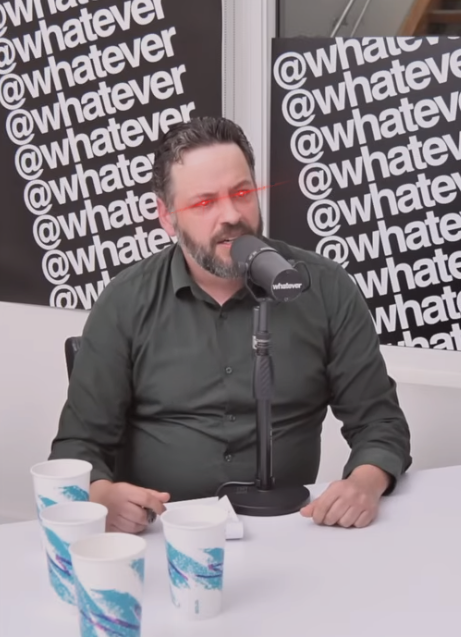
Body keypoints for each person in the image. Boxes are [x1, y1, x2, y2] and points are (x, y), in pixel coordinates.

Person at [49, 116, 412, 534]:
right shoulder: (125, 302)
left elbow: (379, 422)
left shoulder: (325, 288)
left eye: (242, 193)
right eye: (204, 203)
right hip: (162, 534)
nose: (231, 215)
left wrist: (365, 483)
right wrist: (100, 494)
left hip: (288, 529)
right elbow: (77, 445)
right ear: (166, 216)